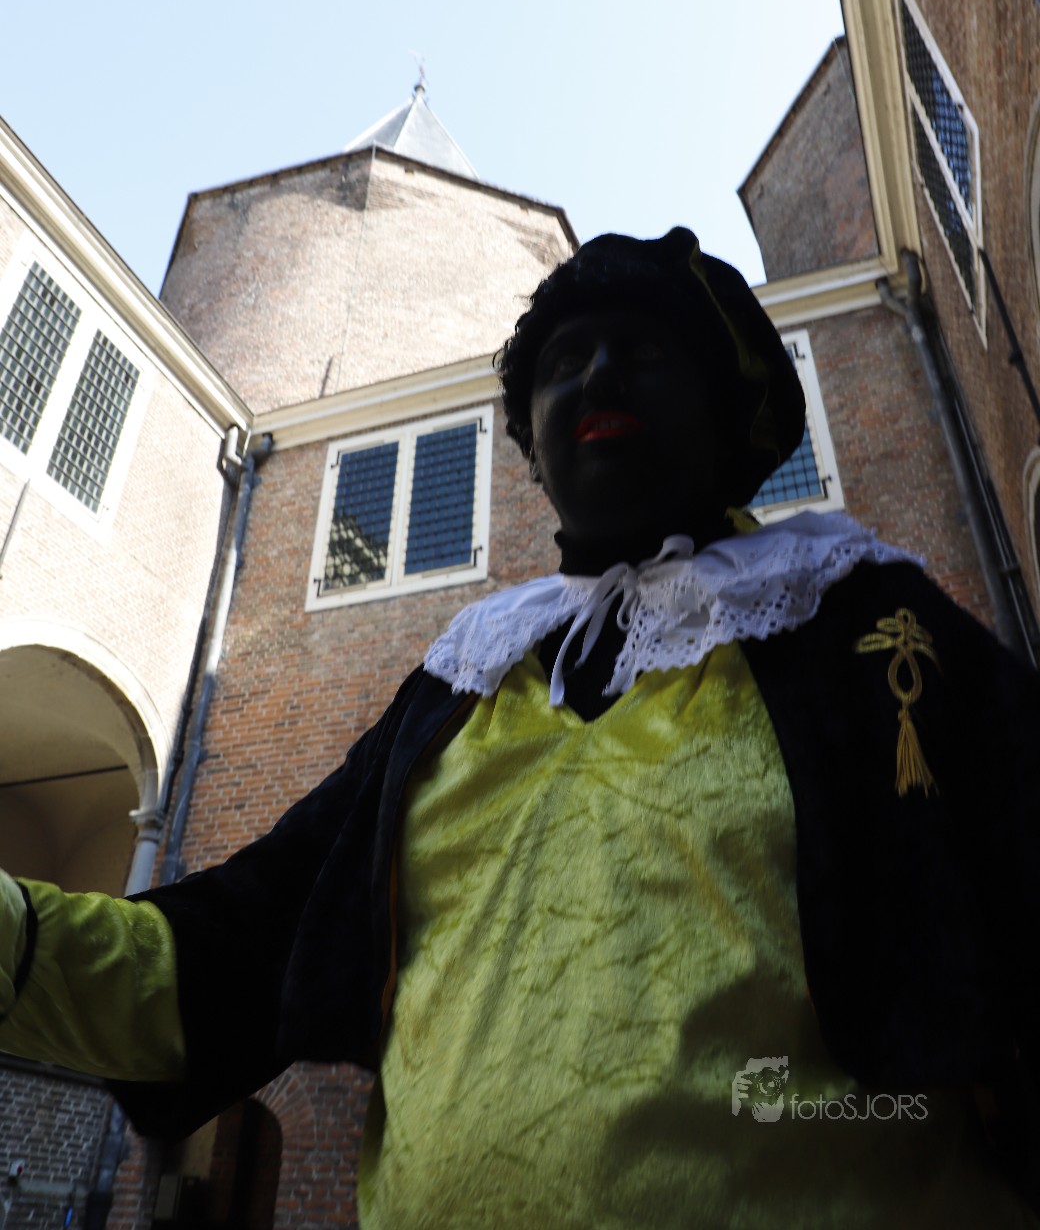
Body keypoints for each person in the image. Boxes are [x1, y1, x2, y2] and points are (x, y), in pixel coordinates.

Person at [1, 227, 1039, 1227]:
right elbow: (237, 941)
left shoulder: (854, 615)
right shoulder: (464, 677)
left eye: (641, 352)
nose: (596, 377)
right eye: (563, 364)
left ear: (726, 410)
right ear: (531, 446)